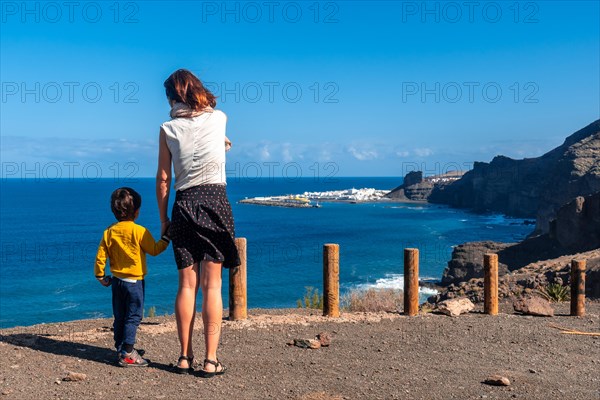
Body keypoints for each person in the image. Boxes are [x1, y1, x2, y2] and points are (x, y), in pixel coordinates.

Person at [156, 68, 240, 377]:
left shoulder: (167, 129)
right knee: (212, 285)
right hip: (215, 200)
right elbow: (215, 134)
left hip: (183, 203)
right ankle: (210, 359)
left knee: (187, 284)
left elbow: (164, 179)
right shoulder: (219, 120)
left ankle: (183, 357)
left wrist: (163, 218)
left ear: (173, 97)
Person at [94, 187, 170, 367]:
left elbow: (100, 255)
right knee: (133, 317)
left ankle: (120, 347)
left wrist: (100, 275)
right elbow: (155, 250)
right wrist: (167, 238)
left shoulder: (109, 231)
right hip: (134, 283)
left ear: (114, 211)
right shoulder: (139, 231)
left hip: (116, 282)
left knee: (119, 316)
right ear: (136, 212)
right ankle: (128, 353)